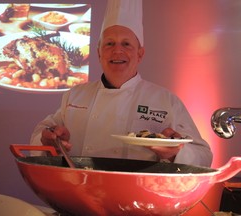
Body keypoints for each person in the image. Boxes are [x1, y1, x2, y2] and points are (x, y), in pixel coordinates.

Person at [30, 0, 213, 167]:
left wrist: (175, 154)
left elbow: (204, 156)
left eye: (126, 44)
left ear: (140, 54)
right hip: (80, 192)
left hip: (137, 196)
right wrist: (48, 140)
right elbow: (40, 136)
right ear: (99, 53)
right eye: (109, 44)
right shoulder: (75, 95)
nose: (117, 51)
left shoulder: (166, 101)